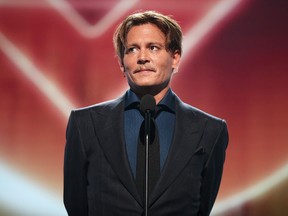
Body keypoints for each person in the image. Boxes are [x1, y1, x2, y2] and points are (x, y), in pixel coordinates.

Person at [64, 10, 229, 216]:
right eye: (132, 49)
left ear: (175, 58)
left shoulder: (210, 130)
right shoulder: (85, 124)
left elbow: (202, 207)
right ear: (121, 63)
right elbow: (75, 204)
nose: (142, 58)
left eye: (153, 47)